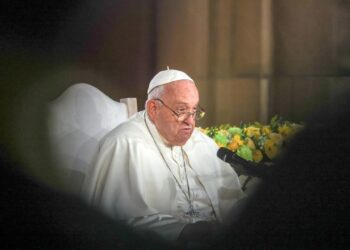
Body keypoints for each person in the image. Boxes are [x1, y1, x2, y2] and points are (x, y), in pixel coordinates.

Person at [83, 68, 245, 246]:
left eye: (194, 111)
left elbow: (231, 202)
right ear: (153, 109)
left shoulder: (202, 142)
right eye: (181, 110)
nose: (190, 122)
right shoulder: (124, 143)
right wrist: (184, 231)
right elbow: (114, 223)